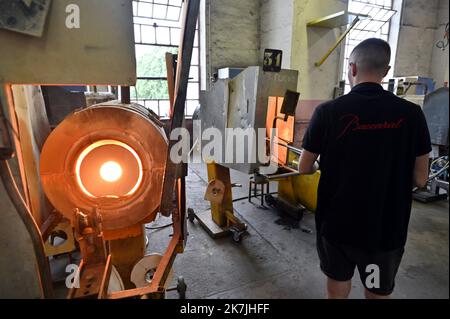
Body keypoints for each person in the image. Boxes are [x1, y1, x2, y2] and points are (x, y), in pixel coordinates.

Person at [298, 38, 431, 299]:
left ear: (352, 68)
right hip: (383, 230)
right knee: (375, 289)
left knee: (338, 286)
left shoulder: (327, 112)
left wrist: (317, 165)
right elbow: (421, 178)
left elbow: (304, 167)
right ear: (386, 71)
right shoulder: (412, 114)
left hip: (337, 226)